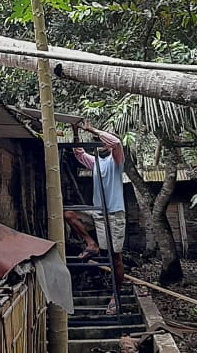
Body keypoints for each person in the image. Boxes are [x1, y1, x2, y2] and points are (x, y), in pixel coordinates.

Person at [71, 120, 126, 314]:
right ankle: (90, 243)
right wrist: (75, 131)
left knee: (115, 258)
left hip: (114, 213)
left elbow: (117, 143)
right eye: (99, 141)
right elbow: (78, 153)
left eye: (104, 142)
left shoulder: (116, 161)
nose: (102, 144)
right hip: (97, 212)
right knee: (68, 213)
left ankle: (115, 296)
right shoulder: (95, 162)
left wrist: (94, 129)